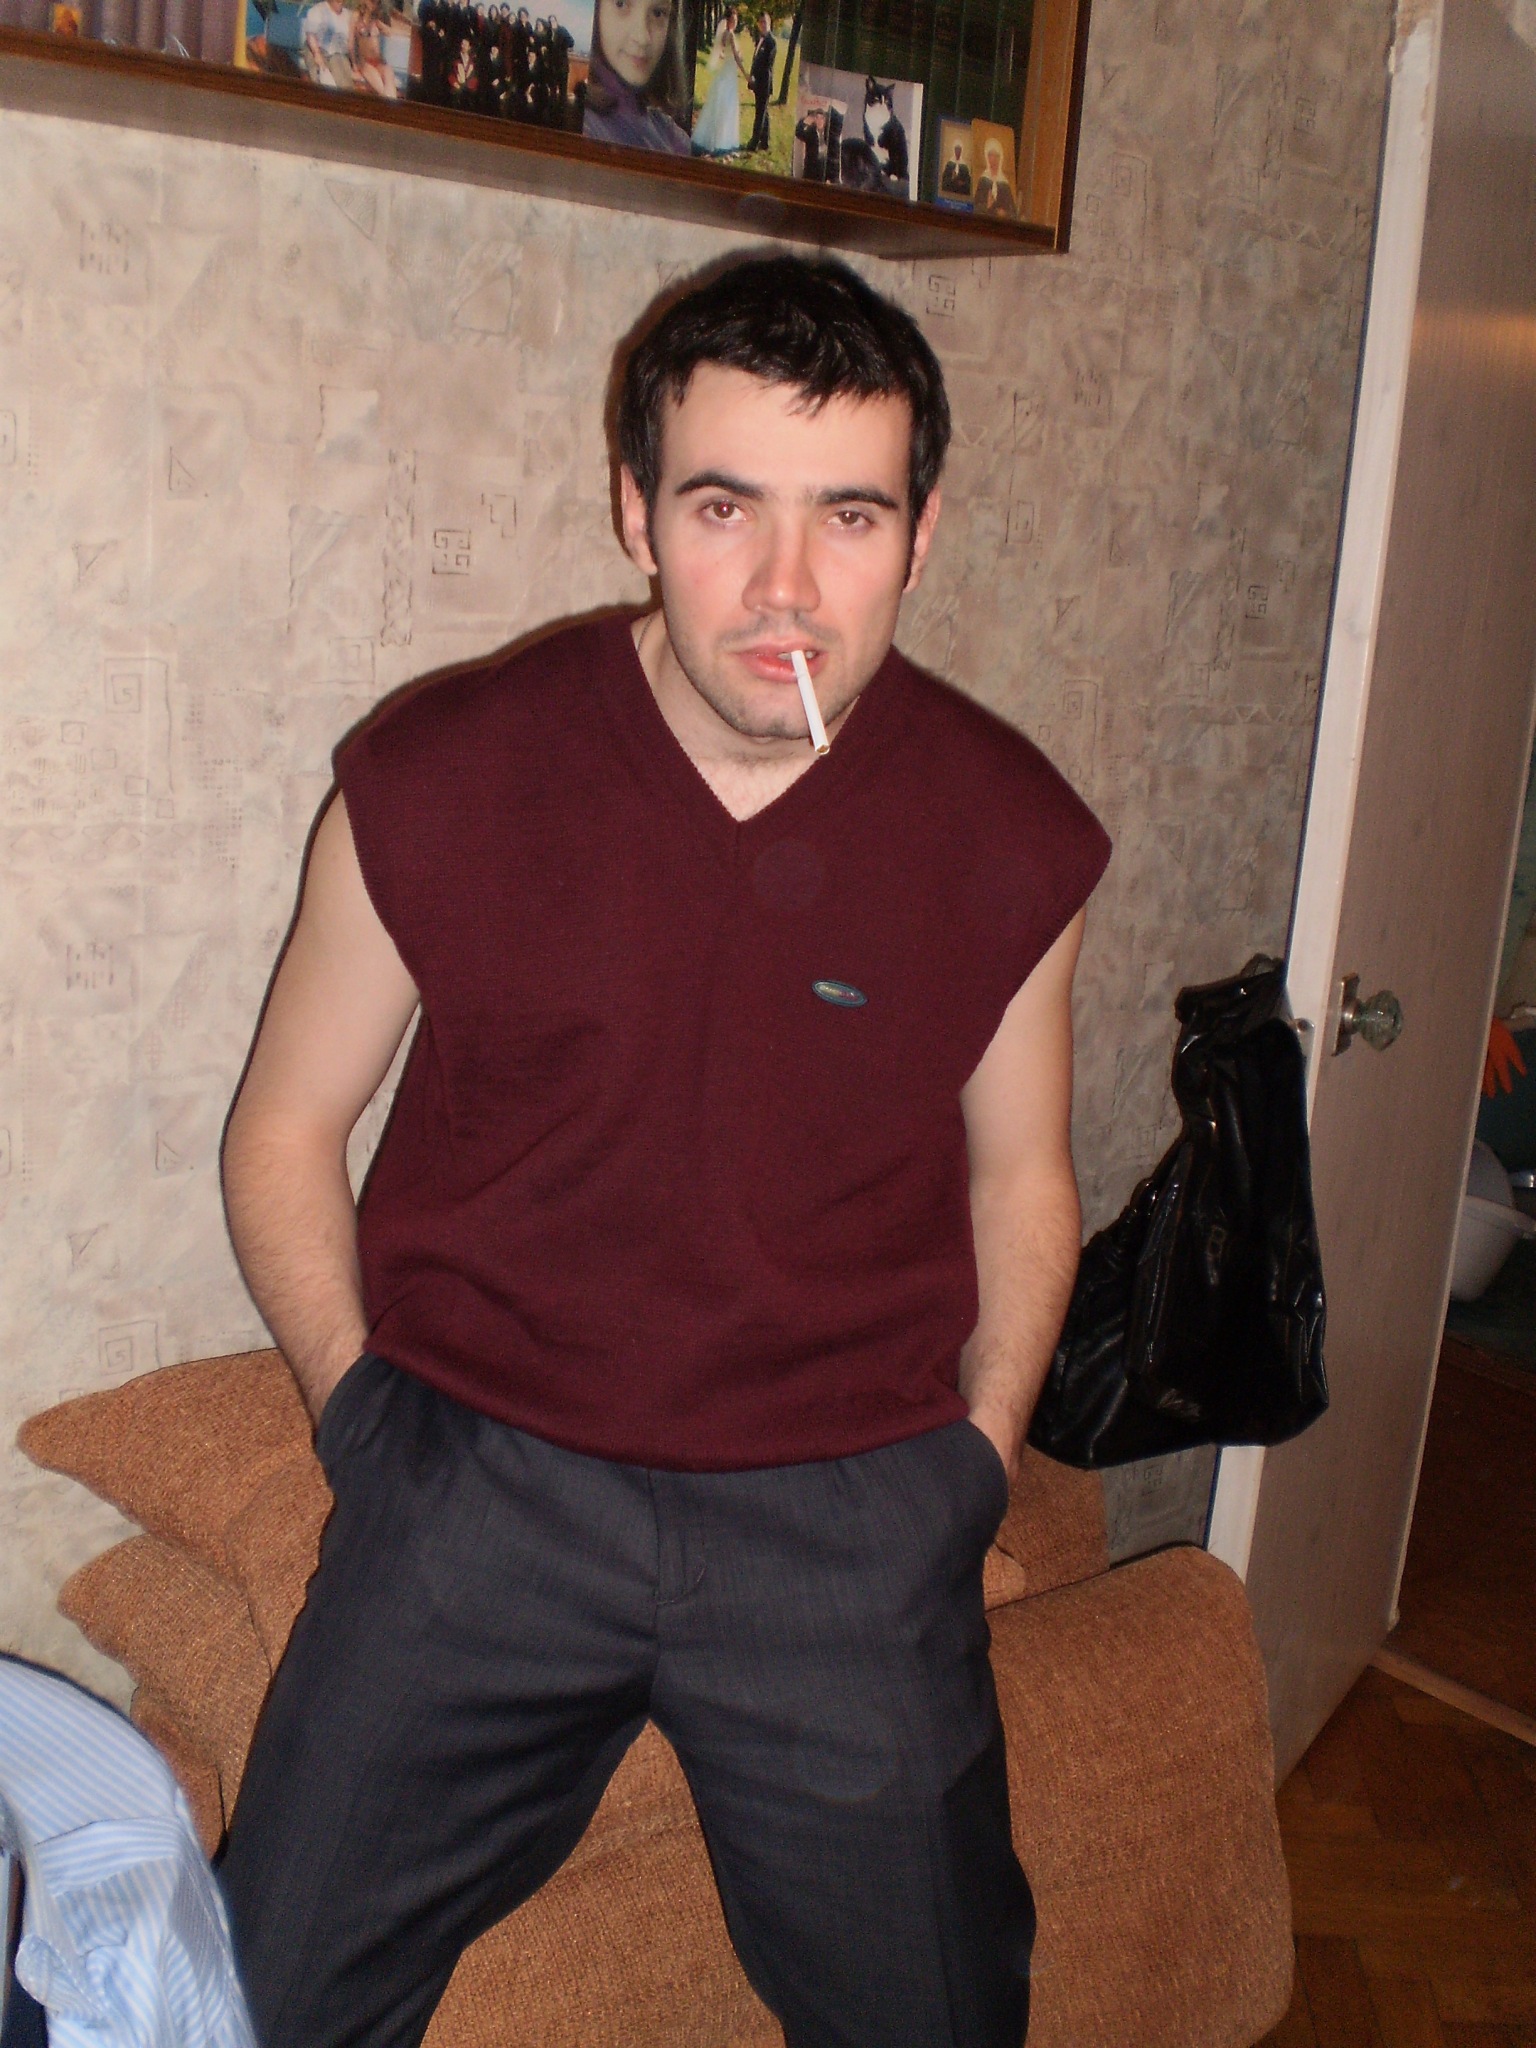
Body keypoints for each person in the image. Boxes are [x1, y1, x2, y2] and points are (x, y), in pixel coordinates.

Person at [217, 253, 1110, 2048]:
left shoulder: (1007, 831)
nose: (785, 585)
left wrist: (976, 1462)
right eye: (723, 507)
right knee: (258, 1997)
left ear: (923, 533)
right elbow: (287, 1125)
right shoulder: (440, 775)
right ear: (635, 509)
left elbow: (1021, 1176)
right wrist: (364, 1422)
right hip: (483, 1495)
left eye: (848, 515)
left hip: (845, 1518)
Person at [582, 0, 689, 153]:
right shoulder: (581, 127)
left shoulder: (671, 135)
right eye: (621, 4)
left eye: (658, 13)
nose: (642, 38)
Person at [690, 3, 746, 154]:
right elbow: (735, 56)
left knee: (720, 103)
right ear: (728, 21)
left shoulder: (723, 35)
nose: (735, 22)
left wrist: (729, 56)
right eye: (733, 20)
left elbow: (721, 52)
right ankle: (722, 140)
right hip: (729, 73)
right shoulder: (731, 35)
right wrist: (745, 74)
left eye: (736, 20)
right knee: (727, 105)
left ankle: (712, 137)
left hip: (726, 71)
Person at [348, 0, 397, 97]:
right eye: (372, 2)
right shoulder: (356, 17)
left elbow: (390, 32)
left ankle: (395, 105)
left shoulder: (376, 19)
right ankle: (389, 104)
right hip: (365, 62)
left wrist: (383, 28)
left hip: (379, 61)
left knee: (389, 75)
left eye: (376, 3)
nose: (374, 5)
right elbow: (351, 43)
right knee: (381, 89)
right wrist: (354, 65)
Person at [302, 0, 355, 86]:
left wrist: (355, 65)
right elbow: (310, 34)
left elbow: (350, 43)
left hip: (338, 54)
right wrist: (317, 54)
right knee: (322, 79)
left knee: (345, 84)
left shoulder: (349, 15)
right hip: (317, 49)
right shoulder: (318, 10)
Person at [746, 5, 774, 150]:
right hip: (757, 81)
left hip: (764, 82)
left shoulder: (771, 42)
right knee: (763, 111)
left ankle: (753, 142)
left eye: (765, 22)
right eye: (761, 22)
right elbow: (755, 60)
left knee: (760, 114)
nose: (763, 24)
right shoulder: (760, 39)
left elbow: (766, 65)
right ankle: (765, 142)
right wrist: (751, 75)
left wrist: (756, 78)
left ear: (769, 23)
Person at [974, 133, 1017, 217]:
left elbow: (1013, 212)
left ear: (1000, 158)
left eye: (996, 156)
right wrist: (987, 205)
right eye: (990, 155)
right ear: (987, 157)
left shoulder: (1004, 183)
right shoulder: (983, 180)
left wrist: (1005, 213)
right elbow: (975, 208)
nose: (993, 159)